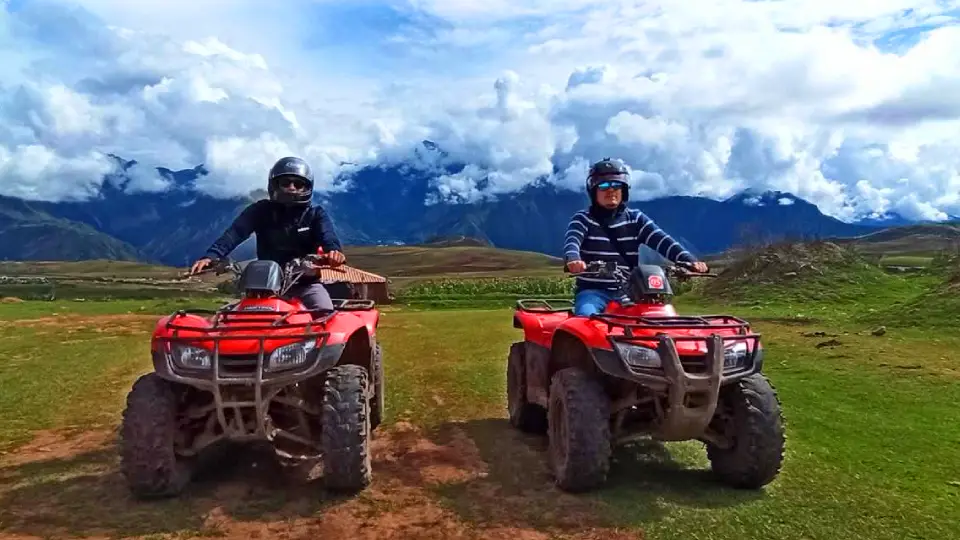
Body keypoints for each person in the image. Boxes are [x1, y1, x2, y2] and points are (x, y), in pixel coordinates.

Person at [189, 156, 345, 312]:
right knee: (235, 322)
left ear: (307, 188)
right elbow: (235, 233)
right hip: (262, 287)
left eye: (298, 184)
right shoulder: (260, 210)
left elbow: (328, 237)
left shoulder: (316, 214)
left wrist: (333, 252)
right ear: (274, 185)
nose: (291, 188)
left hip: (305, 284)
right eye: (285, 183)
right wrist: (212, 255)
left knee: (325, 314)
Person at [563, 157, 708, 316]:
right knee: (586, 319)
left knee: (659, 319)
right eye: (604, 185)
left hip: (629, 292)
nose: (611, 190)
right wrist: (573, 259)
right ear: (594, 190)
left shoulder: (636, 218)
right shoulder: (583, 218)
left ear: (623, 190)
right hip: (593, 292)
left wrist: (690, 261)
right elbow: (572, 241)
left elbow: (664, 241)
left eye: (616, 185)